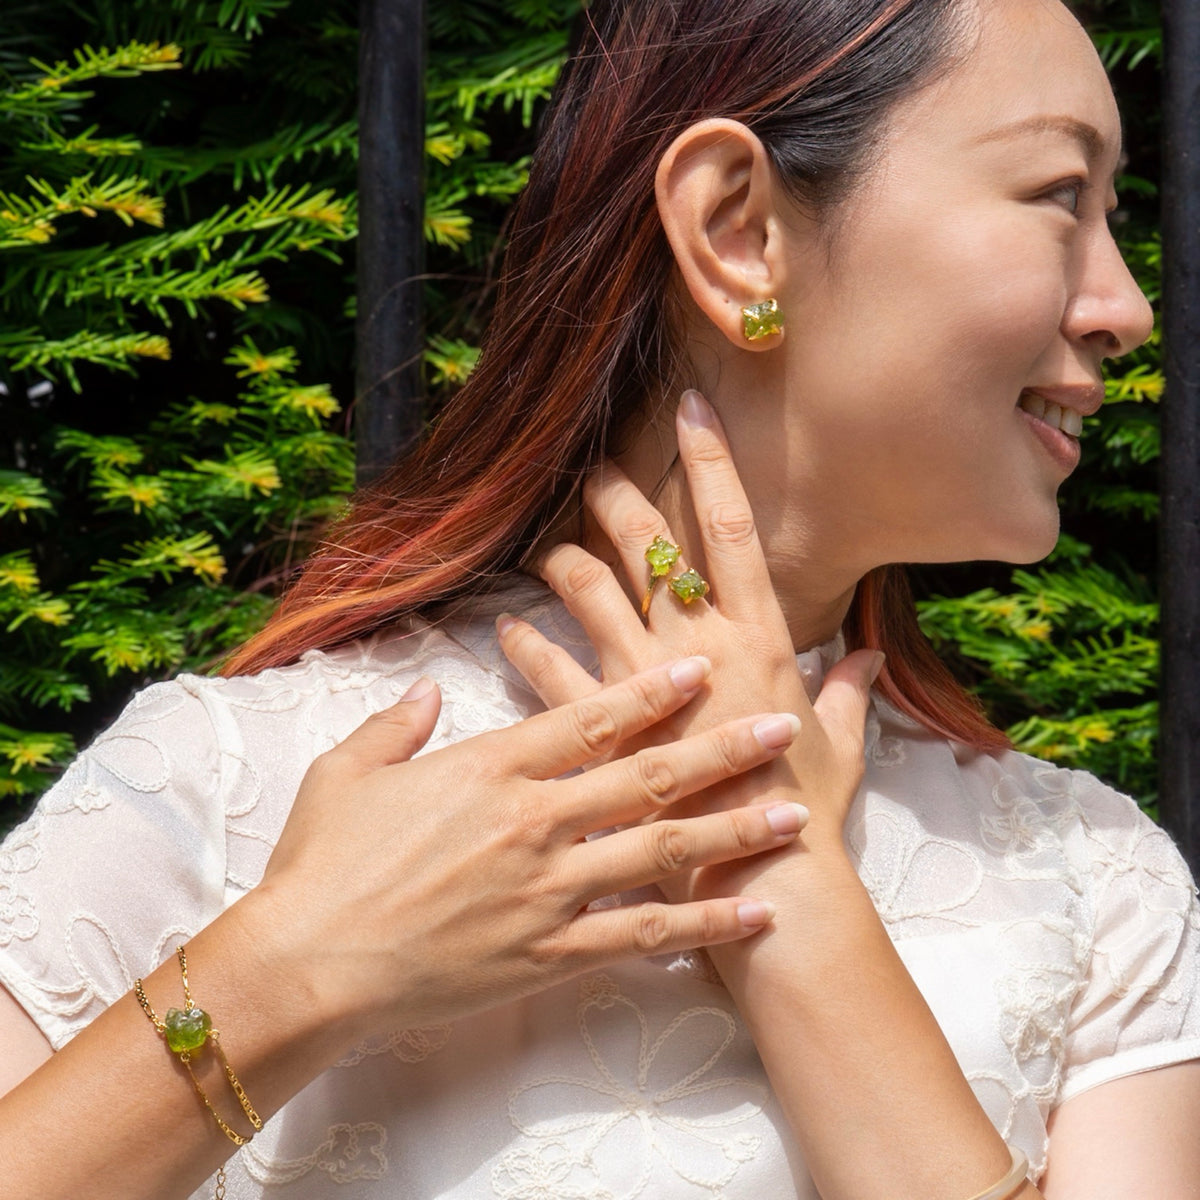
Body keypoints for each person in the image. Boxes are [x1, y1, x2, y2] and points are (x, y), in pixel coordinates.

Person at [1, 0, 1198, 1197]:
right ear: (738, 231)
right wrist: (290, 967)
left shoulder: (1096, 884)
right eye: (1058, 198)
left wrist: (794, 904)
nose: (1125, 308)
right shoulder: (219, 790)